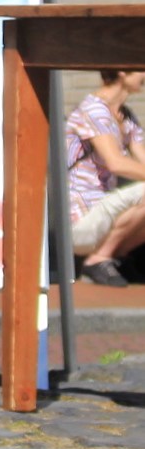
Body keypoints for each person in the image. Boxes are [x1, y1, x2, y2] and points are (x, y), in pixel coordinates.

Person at [65, 69, 145, 286]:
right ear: (121, 72)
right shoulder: (93, 110)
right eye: (141, 69)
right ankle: (98, 260)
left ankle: (114, 258)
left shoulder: (125, 116)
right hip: (80, 220)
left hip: (105, 213)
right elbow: (115, 162)